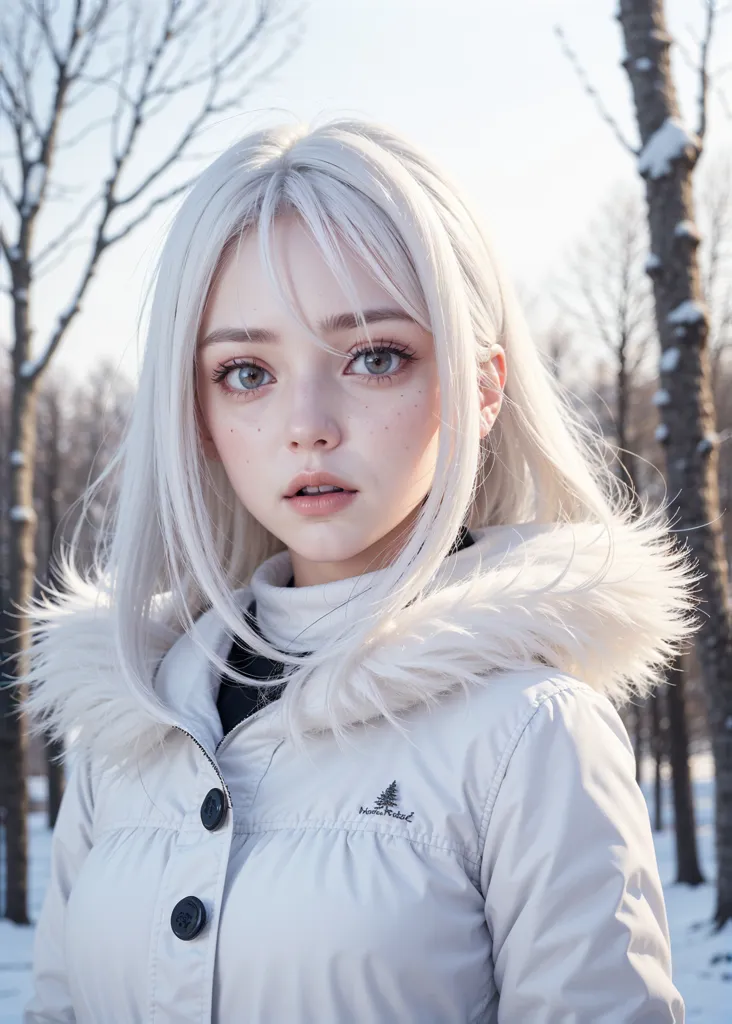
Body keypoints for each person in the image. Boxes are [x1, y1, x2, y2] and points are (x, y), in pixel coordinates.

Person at [21, 118, 695, 1022]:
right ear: (199, 413)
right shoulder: (133, 719)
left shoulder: (529, 737)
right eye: (247, 371)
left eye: (374, 357)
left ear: (479, 389)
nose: (308, 423)